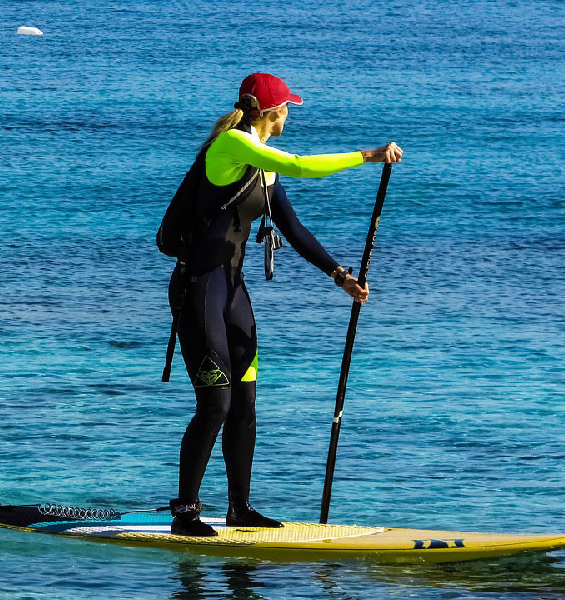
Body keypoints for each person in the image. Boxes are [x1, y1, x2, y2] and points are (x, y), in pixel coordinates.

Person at [168, 72, 403, 536]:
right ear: (271, 113)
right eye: (287, 107)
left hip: (233, 292)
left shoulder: (264, 165)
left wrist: (340, 276)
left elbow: (293, 230)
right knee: (215, 403)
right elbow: (300, 164)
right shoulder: (233, 145)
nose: (290, 113)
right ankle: (186, 513)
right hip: (198, 291)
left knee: (246, 403)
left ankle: (239, 508)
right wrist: (369, 155)